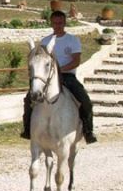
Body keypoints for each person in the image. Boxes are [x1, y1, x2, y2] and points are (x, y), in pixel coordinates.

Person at [21, 10, 96, 143]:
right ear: (51, 23)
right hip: (47, 78)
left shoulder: (72, 40)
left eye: (60, 22)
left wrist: (59, 70)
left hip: (67, 76)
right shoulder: (45, 41)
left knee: (85, 101)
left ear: (65, 23)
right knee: (28, 100)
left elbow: (76, 61)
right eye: (55, 23)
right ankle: (28, 130)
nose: (57, 25)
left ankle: (88, 131)